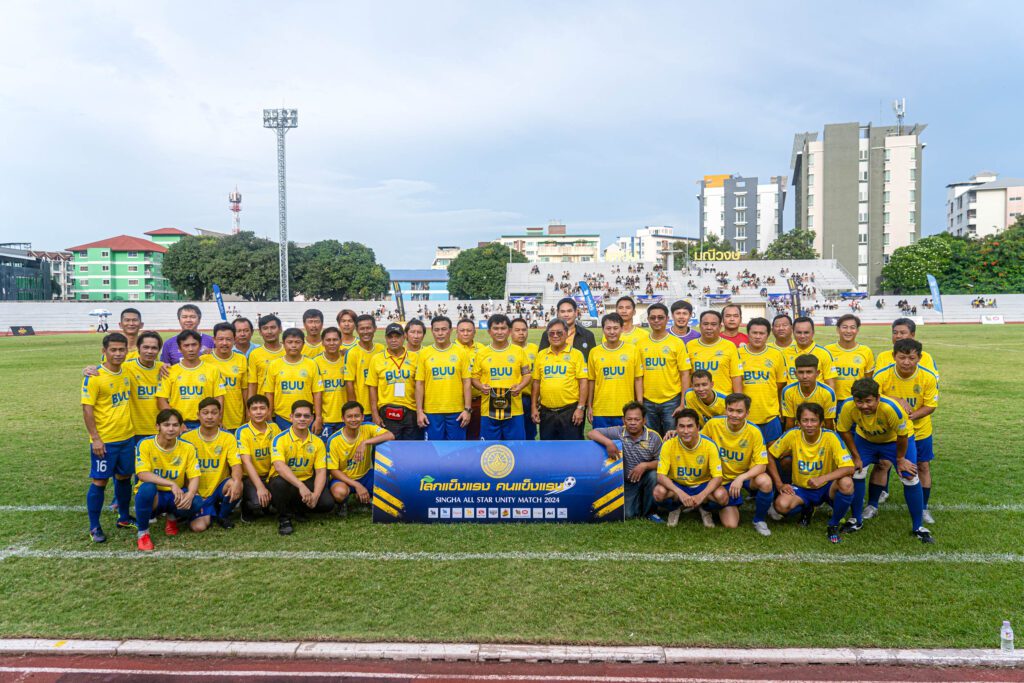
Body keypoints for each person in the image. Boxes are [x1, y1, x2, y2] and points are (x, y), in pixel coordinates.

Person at [836, 378, 932, 543]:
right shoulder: (847, 406)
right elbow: (844, 430)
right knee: (857, 471)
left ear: (878, 398)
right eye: (859, 402)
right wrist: (856, 457)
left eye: (869, 401)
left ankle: (918, 527)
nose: (864, 406)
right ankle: (856, 519)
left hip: (896, 441)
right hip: (866, 440)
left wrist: (900, 459)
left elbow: (902, 435)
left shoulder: (890, 408)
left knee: (909, 475)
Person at [768, 403, 855, 544]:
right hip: (802, 488)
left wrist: (822, 479)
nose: (809, 425)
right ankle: (807, 508)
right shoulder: (793, 434)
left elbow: (849, 468)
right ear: (798, 422)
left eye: (813, 420)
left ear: (821, 423)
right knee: (781, 505)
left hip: (827, 487)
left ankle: (833, 525)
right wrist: (779, 484)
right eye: (805, 420)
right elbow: (770, 454)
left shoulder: (831, 437)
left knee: (846, 483)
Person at [873, 338, 939, 524]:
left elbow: (931, 406)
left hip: (920, 430)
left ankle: (923, 508)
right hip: (891, 432)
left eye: (911, 358)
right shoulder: (882, 375)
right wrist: (897, 400)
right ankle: (872, 505)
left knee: (923, 466)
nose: (906, 362)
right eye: (902, 357)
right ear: (894, 356)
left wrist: (909, 417)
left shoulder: (928, 377)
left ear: (919, 358)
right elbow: (873, 397)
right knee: (882, 464)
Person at [81, 332, 137, 542]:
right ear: (104, 351)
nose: (118, 353)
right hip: (105, 441)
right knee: (100, 481)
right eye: (113, 350)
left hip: (127, 437)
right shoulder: (94, 377)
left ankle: (124, 518)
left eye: (122, 349)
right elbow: (87, 410)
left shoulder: (127, 371)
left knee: (124, 477)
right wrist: (95, 438)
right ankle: (94, 527)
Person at [702, 394, 775, 535]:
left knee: (765, 481)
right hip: (719, 478)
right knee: (731, 524)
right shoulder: (713, 424)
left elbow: (762, 465)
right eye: (730, 410)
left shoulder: (754, 431)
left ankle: (759, 520)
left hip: (743, 477)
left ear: (747, 413)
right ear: (725, 410)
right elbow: (698, 443)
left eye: (739, 411)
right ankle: (708, 506)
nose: (734, 415)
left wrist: (741, 478)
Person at [133, 408, 202, 551]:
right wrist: (171, 484)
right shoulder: (145, 444)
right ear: (157, 426)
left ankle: (172, 517)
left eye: (175, 425)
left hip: (175, 496)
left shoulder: (188, 447)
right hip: (155, 496)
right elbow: (142, 474)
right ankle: (143, 533)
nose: (171, 429)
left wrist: (190, 494)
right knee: (147, 488)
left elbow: (195, 476)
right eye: (166, 425)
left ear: (181, 427)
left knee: (196, 501)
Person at [268, 400, 334, 535]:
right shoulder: (279, 439)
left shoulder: (318, 442)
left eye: (306, 416)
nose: (302, 419)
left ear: (312, 418)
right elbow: (279, 467)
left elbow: (321, 471)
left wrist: (316, 495)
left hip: (306, 480)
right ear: (291, 417)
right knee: (279, 484)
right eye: (298, 415)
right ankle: (284, 519)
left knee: (327, 503)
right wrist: (300, 486)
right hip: (285, 482)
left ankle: (299, 509)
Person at [587, 402, 663, 520]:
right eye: (629, 419)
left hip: (646, 478)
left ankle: (650, 513)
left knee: (653, 475)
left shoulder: (654, 437)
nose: (632, 423)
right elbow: (591, 433)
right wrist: (609, 442)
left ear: (644, 420)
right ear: (623, 420)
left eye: (637, 419)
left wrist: (644, 466)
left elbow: (662, 462)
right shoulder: (618, 432)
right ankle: (639, 502)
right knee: (628, 514)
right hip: (627, 482)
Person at [180, 398, 243, 531]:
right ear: (198, 415)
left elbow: (236, 465)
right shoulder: (186, 438)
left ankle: (222, 515)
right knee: (198, 527)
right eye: (205, 413)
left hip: (219, 487)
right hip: (196, 490)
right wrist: (192, 492)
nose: (209, 416)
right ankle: (205, 509)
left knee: (236, 483)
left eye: (214, 413)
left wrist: (237, 481)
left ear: (220, 415)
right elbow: (182, 470)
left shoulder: (228, 437)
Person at [652, 408, 722, 529]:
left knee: (722, 496)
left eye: (690, 426)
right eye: (681, 426)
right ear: (676, 428)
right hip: (679, 485)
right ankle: (675, 508)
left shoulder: (709, 445)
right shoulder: (668, 444)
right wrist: (680, 493)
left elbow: (718, 477)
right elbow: (660, 476)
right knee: (658, 492)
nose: (685, 431)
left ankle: (704, 508)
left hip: (701, 485)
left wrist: (701, 496)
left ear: (698, 427)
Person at [327, 401, 395, 517]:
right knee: (339, 493)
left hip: (365, 475)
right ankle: (342, 504)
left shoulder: (368, 427)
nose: (353, 419)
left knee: (390, 482)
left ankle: (365, 498)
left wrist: (365, 442)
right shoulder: (334, 440)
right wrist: (357, 485)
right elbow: (333, 471)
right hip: (344, 479)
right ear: (343, 418)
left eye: (357, 416)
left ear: (362, 417)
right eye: (349, 416)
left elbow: (390, 436)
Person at [471, 314, 531, 440]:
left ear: (509, 331)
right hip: (488, 410)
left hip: (515, 409)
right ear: (489, 331)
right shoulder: (481, 354)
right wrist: (481, 386)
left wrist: (520, 386)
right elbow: (474, 378)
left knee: (516, 447)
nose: (499, 332)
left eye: (503, 328)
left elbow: (527, 374)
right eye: (495, 328)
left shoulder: (518, 351)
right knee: (490, 447)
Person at [415, 316, 472, 441]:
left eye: (444, 329)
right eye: (436, 330)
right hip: (431, 411)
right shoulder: (424, 353)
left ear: (450, 330)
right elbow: (419, 384)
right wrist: (419, 411)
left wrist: (467, 409)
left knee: (456, 449)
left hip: (457, 411)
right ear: (432, 331)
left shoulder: (461, 352)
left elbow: (467, 382)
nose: (440, 333)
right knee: (433, 449)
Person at [530, 319, 588, 440]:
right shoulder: (541, 355)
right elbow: (536, 382)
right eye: (551, 333)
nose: (555, 336)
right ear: (547, 335)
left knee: (571, 448)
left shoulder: (576, 354)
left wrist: (581, 408)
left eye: (559, 333)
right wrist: (534, 407)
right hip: (546, 412)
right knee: (548, 447)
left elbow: (583, 382)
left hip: (570, 411)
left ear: (566, 333)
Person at [155, 330, 225, 430]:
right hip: (180, 424)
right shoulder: (169, 371)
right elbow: (161, 400)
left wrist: (218, 419)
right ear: (179, 349)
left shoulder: (213, 370)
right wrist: (177, 422)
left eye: (194, 345)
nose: (191, 349)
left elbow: (219, 397)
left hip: (206, 423)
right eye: (186, 346)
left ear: (200, 346)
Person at [639, 303, 691, 435]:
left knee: (672, 438)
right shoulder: (640, 344)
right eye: (653, 318)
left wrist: (682, 403)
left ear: (667, 319)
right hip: (648, 400)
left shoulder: (677, 343)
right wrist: (640, 402)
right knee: (651, 439)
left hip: (672, 400)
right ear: (648, 319)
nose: (656, 320)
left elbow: (685, 374)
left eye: (660, 317)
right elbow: (638, 376)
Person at [261, 328, 324, 434]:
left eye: (297, 342)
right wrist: (269, 417)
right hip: (282, 417)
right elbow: (269, 393)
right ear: (283, 344)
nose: (293, 345)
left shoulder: (311, 364)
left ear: (303, 344)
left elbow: (317, 392)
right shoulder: (274, 365)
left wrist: (318, 417)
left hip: (305, 417)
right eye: (290, 342)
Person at [586, 313, 644, 429]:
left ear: (621, 329)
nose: (612, 332)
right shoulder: (594, 352)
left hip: (626, 411)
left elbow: (638, 379)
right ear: (603, 330)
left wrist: (639, 405)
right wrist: (590, 406)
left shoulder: (632, 350)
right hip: (601, 410)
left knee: (625, 441)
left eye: (615, 328)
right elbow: (591, 381)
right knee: (600, 441)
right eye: (608, 328)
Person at [738, 318, 787, 445]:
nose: (758, 336)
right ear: (748, 334)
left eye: (761, 333)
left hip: (770, 416)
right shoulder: (737, 354)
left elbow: (780, 384)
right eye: (754, 333)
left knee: (773, 452)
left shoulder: (776, 354)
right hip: (744, 416)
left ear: (768, 335)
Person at [368, 323, 421, 440]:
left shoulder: (415, 357)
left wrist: (420, 412)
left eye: (397, 336)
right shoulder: (376, 359)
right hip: (387, 411)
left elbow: (420, 385)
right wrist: (375, 414)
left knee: (411, 447)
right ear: (385, 338)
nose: (393, 340)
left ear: (404, 337)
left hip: (411, 410)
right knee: (390, 447)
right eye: (390, 337)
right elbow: (372, 388)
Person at [235, 394, 281, 522]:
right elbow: (246, 462)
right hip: (250, 477)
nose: (259, 412)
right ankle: (246, 507)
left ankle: (269, 505)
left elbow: (279, 457)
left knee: (281, 493)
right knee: (257, 503)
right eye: (254, 409)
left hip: (270, 475)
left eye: (262, 408)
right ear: (248, 412)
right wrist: (260, 487)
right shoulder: (242, 431)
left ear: (268, 410)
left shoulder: (275, 428)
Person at [686, 310, 743, 395]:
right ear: (700, 326)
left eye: (713, 324)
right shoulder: (690, 346)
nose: (709, 327)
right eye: (705, 324)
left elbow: (736, 376)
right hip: (697, 399)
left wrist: (738, 399)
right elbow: (686, 375)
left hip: (723, 399)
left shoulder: (730, 346)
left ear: (720, 327)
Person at [826, 314, 875, 410]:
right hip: (834, 401)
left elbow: (868, 379)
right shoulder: (827, 350)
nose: (848, 331)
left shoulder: (866, 351)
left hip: (857, 401)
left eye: (852, 327)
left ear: (857, 330)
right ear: (838, 329)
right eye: (844, 327)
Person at [125, 331, 165, 445]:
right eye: (146, 347)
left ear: (159, 350)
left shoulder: (164, 369)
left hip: (159, 429)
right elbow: (106, 370)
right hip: (134, 430)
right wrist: (89, 369)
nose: (149, 351)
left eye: (154, 348)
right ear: (138, 348)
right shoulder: (126, 367)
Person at [209, 322, 248, 431]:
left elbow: (245, 389)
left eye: (228, 339)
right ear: (214, 340)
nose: (224, 343)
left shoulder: (241, 359)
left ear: (235, 340)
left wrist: (248, 412)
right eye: (220, 339)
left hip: (236, 417)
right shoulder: (204, 360)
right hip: (211, 419)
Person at [781, 355, 837, 430]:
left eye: (809, 372)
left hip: (822, 431)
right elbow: (790, 421)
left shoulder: (828, 393)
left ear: (817, 373)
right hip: (798, 430)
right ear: (795, 374)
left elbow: (828, 422)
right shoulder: (788, 391)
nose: (804, 376)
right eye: (801, 372)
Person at [345, 314, 384, 415]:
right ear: (357, 330)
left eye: (368, 328)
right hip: (363, 409)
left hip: (382, 405)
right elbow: (349, 383)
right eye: (362, 329)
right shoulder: (352, 353)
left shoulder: (382, 349)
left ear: (375, 328)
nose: (366, 332)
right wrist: (354, 408)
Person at [455, 318, 487, 439]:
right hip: (458, 402)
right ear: (456, 332)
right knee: (460, 437)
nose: (465, 333)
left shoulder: (483, 349)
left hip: (479, 400)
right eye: (462, 330)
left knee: (478, 435)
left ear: (474, 332)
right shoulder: (451, 349)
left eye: (469, 330)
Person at [315, 327, 348, 438]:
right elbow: (315, 393)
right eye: (328, 340)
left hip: (346, 418)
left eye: (335, 340)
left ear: (341, 341)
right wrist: (318, 417)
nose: (332, 343)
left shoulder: (348, 359)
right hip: (325, 419)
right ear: (322, 342)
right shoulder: (315, 362)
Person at [510, 317, 540, 440]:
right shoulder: (505, 349)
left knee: (529, 433)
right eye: (517, 330)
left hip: (528, 398)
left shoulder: (535, 349)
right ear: (510, 331)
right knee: (511, 433)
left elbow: (539, 375)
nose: (521, 333)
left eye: (524, 330)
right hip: (510, 398)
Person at [790, 317, 837, 388]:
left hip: (818, 395)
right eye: (799, 332)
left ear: (813, 333)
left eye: (806, 332)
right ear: (793, 333)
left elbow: (830, 384)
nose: (802, 336)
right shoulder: (784, 353)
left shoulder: (824, 353)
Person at [247, 315, 285, 399]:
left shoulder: (288, 351)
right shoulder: (255, 354)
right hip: (263, 402)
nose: (269, 331)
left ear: (280, 329)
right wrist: (250, 405)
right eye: (265, 328)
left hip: (284, 401)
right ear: (260, 332)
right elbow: (253, 383)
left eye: (273, 327)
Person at [770, 313, 796, 380]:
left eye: (784, 325)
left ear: (792, 328)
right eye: (777, 326)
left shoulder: (801, 347)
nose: (781, 328)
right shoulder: (766, 349)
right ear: (772, 330)